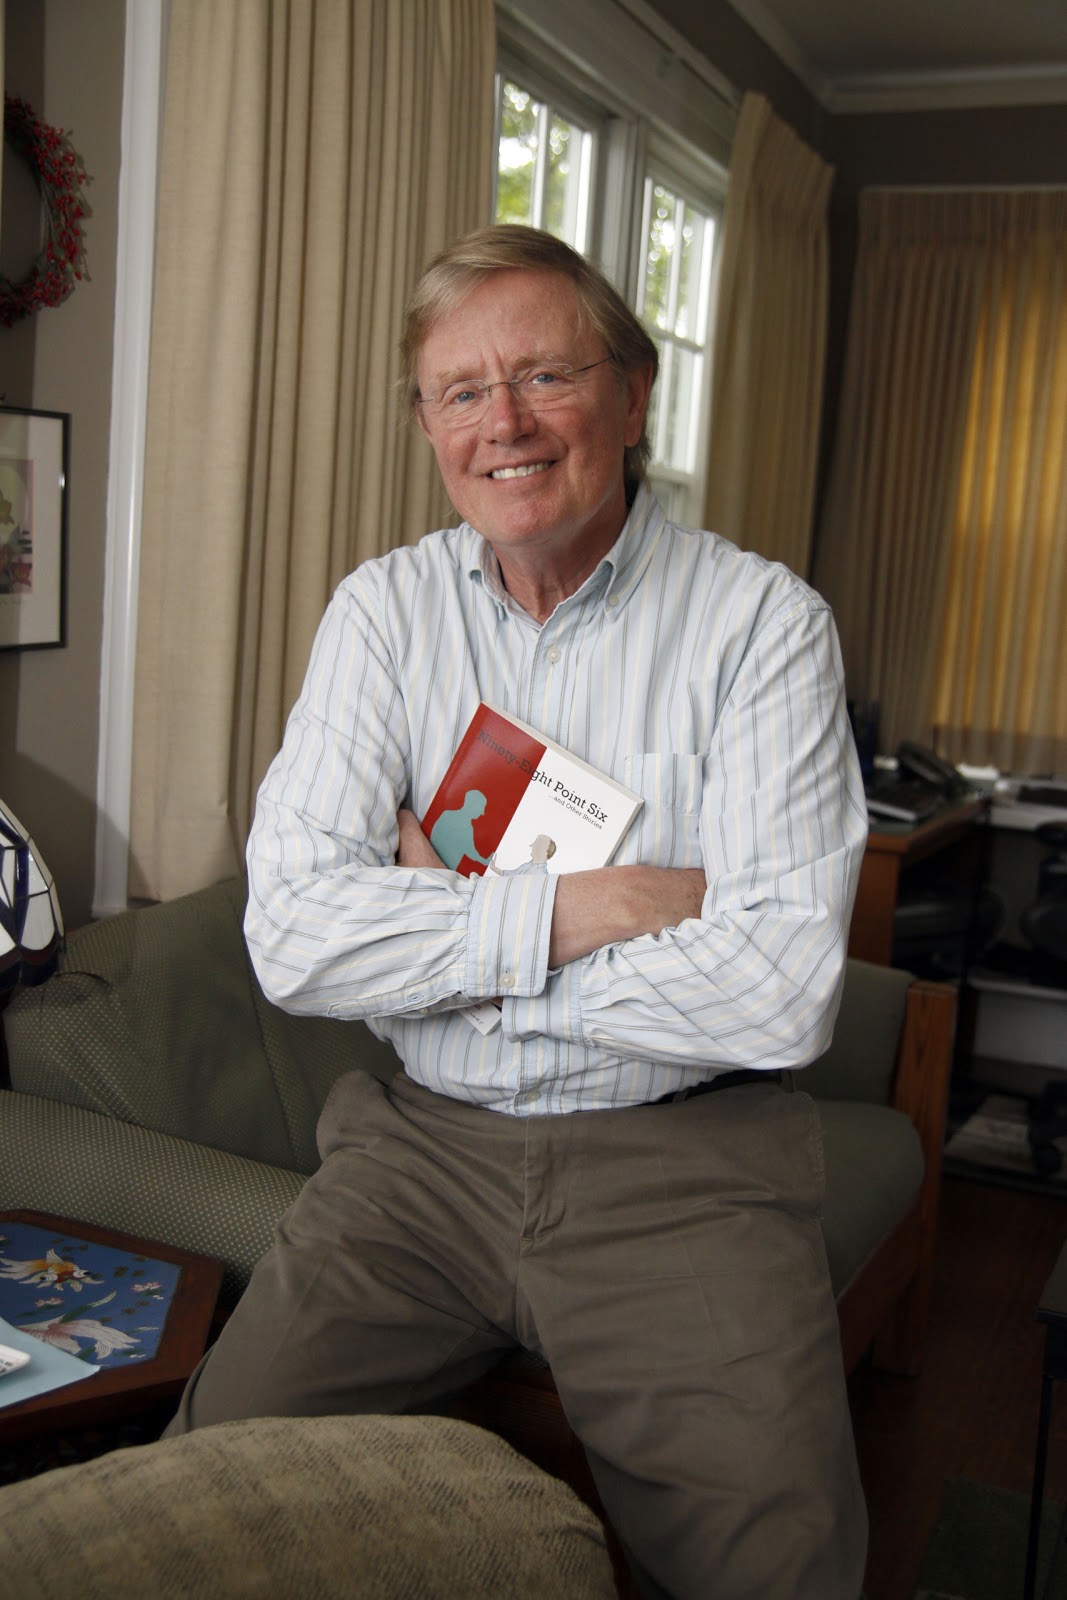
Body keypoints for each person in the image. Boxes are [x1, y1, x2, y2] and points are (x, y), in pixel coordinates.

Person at [166, 224, 870, 1599]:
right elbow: (292, 937)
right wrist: (595, 908)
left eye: (546, 375)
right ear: (428, 422)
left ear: (632, 396)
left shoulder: (762, 628)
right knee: (197, 1507)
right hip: (420, 1159)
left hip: (684, 1169)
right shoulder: (383, 616)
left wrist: (440, 931)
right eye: (462, 390)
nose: (506, 423)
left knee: (782, 1573)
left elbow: (781, 992)